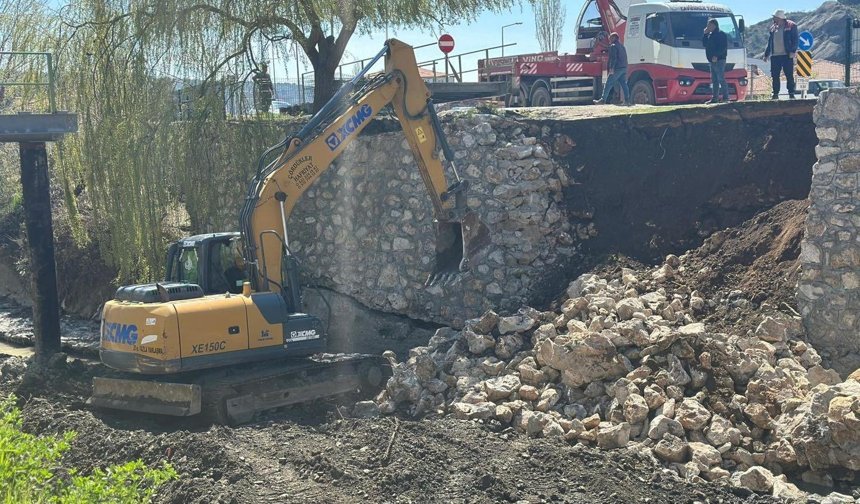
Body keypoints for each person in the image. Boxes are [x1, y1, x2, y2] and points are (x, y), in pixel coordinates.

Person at [763, 9, 799, 100]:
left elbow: (795, 39)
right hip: (775, 56)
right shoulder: (773, 28)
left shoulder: (791, 26)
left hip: (787, 55)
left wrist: (793, 51)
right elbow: (770, 42)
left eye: (774, 17)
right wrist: (766, 54)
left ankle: (791, 93)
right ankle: (775, 94)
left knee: (789, 75)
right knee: (775, 75)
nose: (773, 18)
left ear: (779, 18)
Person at [594, 32, 631, 106]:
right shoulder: (622, 46)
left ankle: (603, 100)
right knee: (624, 84)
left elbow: (614, 58)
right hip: (624, 67)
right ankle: (627, 101)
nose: (609, 39)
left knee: (608, 83)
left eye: (610, 37)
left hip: (617, 68)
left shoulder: (613, 46)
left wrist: (611, 68)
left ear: (614, 38)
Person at [702, 18, 729, 104]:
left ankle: (726, 97)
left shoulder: (721, 34)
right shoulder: (710, 35)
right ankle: (715, 98)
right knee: (714, 80)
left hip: (719, 60)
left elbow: (723, 47)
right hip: (712, 61)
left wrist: (716, 55)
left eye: (709, 25)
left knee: (721, 78)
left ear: (714, 25)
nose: (707, 27)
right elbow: (704, 44)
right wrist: (705, 34)